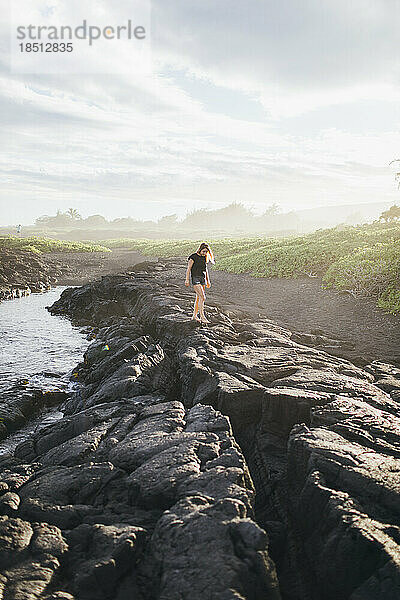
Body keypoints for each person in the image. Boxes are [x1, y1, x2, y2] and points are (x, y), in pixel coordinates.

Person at [185, 242, 215, 323]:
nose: (205, 253)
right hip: (195, 278)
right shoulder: (193, 257)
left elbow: (206, 270)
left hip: (202, 278)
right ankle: (202, 316)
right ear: (200, 249)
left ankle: (194, 316)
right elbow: (188, 268)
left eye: (206, 252)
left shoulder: (204, 257)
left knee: (198, 298)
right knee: (203, 297)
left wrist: (208, 281)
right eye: (204, 251)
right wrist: (187, 279)